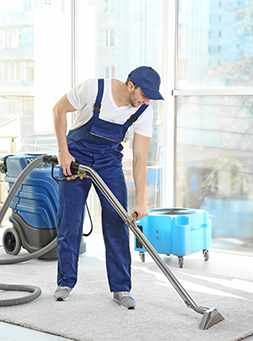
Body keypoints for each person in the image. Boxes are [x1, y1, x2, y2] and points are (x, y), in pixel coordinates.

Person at [52, 66, 164, 309]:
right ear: (131, 85)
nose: (146, 101)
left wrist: (142, 200)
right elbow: (59, 109)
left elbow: (140, 158)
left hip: (108, 162)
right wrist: (63, 152)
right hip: (76, 157)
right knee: (70, 220)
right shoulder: (94, 88)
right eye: (145, 95)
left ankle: (121, 287)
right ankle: (65, 282)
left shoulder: (144, 110)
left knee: (117, 221)